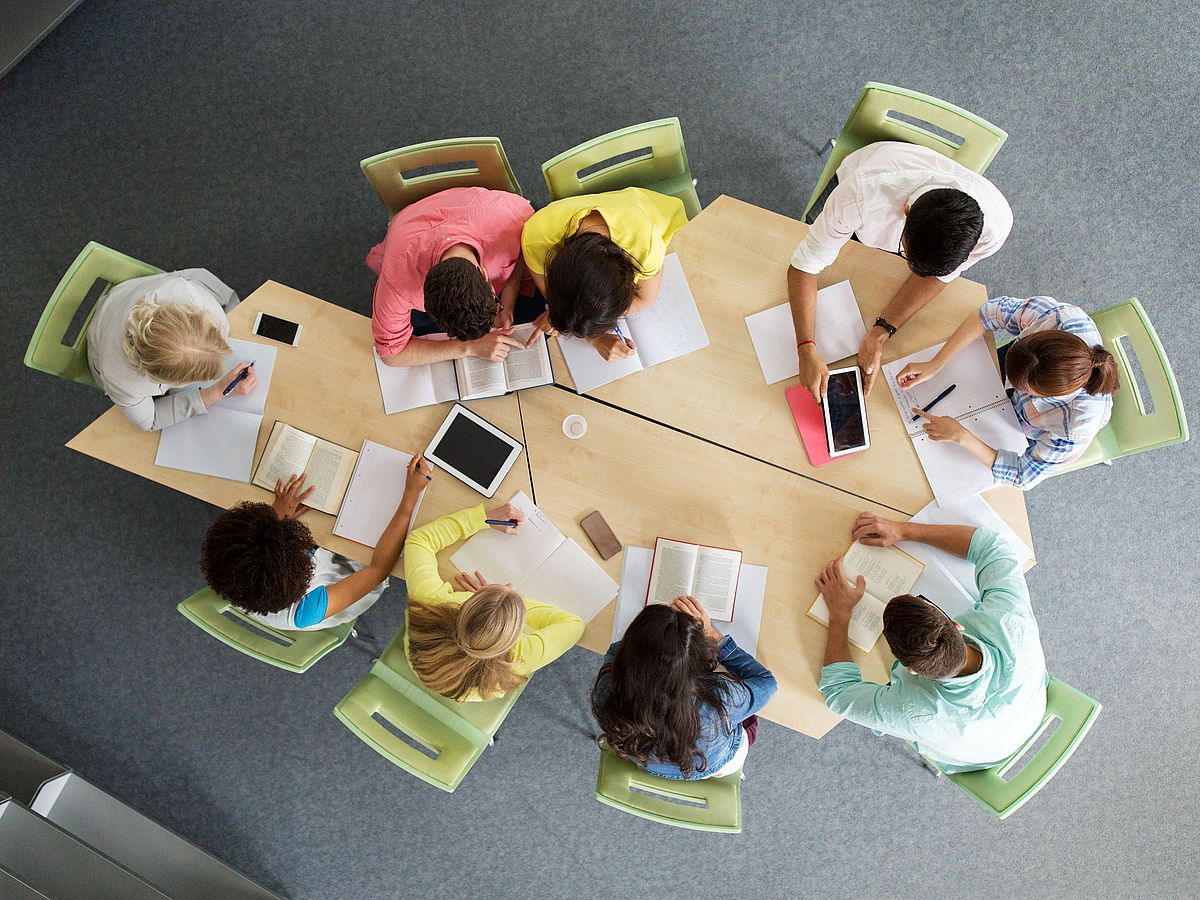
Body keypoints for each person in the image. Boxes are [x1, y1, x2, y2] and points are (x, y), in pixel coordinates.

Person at [816, 513, 1048, 773]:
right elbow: (992, 547)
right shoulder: (1011, 623)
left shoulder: (916, 713)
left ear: (910, 669)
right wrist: (904, 531)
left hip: (977, 757)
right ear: (955, 625)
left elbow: (836, 692)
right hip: (1030, 711)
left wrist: (840, 614)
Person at [788, 141, 1013, 399]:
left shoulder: (994, 229)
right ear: (906, 211)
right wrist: (805, 348)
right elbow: (805, 264)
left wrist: (881, 332)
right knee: (803, 228)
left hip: (902, 207)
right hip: (861, 178)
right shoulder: (859, 195)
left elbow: (939, 278)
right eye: (905, 254)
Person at [896, 295, 1118, 489]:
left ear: (1046, 395)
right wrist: (937, 363)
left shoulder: (1076, 426)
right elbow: (989, 313)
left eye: (1021, 387)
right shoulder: (1058, 318)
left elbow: (1023, 475)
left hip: (1025, 427)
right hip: (1016, 377)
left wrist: (963, 437)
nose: (1009, 384)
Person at [199, 456, 431, 630]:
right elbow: (378, 569)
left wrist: (275, 516)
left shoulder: (228, 566)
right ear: (303, 562)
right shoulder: (307, 609)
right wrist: (410, 496)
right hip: (353, 575)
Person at [403, 503, 584, 700]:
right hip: (453, 685)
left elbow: (419, 541)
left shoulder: (431, 603)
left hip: (426, 662)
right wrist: (510, 605)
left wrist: (483, 518)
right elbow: (575, 625)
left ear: (468, 604)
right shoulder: (518, 659)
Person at [592, 597, 777, 780]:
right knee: (749, 719)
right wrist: (712, 636)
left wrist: (653, 637)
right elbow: (767, 683)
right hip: (711, 764)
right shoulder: (721, 699)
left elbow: (616, 651)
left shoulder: (608, 687)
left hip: (644, 758)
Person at [366, 186, 537, 368]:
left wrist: (507, 303)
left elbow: (524, 244)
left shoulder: (514, 218)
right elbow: (391, 354)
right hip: (410, 228)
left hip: (481, 211)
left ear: (484, 274)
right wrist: (468, 347)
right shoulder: (398, 282)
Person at [520, 187, 688, 360]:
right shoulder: (536, 239)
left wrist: (594, 332)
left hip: (666, 225)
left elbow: (645, 299)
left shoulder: (645, 247)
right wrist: (587, 332)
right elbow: (555, 297)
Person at [87, 268, 255, 431]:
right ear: (164, 379)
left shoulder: (190, 295)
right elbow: (151, 420)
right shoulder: (121, 380)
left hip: (127, 295)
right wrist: (217, 392)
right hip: (103, 330)